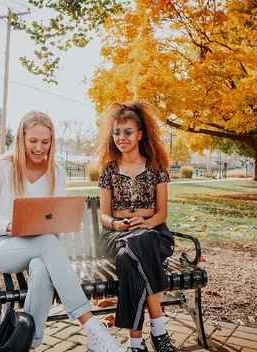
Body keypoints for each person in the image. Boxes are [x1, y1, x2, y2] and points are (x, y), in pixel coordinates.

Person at [0, 110, 128, 352]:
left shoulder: (57, 172)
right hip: (6, 245)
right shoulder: (0, 168)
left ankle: (28, 346)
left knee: (43, 268)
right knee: (46, 242)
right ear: (22, 137)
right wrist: (9, 225)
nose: (39, 148)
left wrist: (60, 221)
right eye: (33, 141)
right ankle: (91, 327)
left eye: (45, 142)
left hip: (43, 248)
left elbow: (55, 218)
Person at [96, 100, 176, 352]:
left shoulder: (156, 168)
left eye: (128, 132)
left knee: (136, 249)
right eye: (117, 132)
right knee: (135, 245)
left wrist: (146, 222)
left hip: (153, 232)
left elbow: (162, 213)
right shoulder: (108, 170)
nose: (121, 137)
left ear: (140, 134)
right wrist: (117, 224)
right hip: (117, 235)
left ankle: (135, 343)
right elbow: (104, 216)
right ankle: (159, 330)